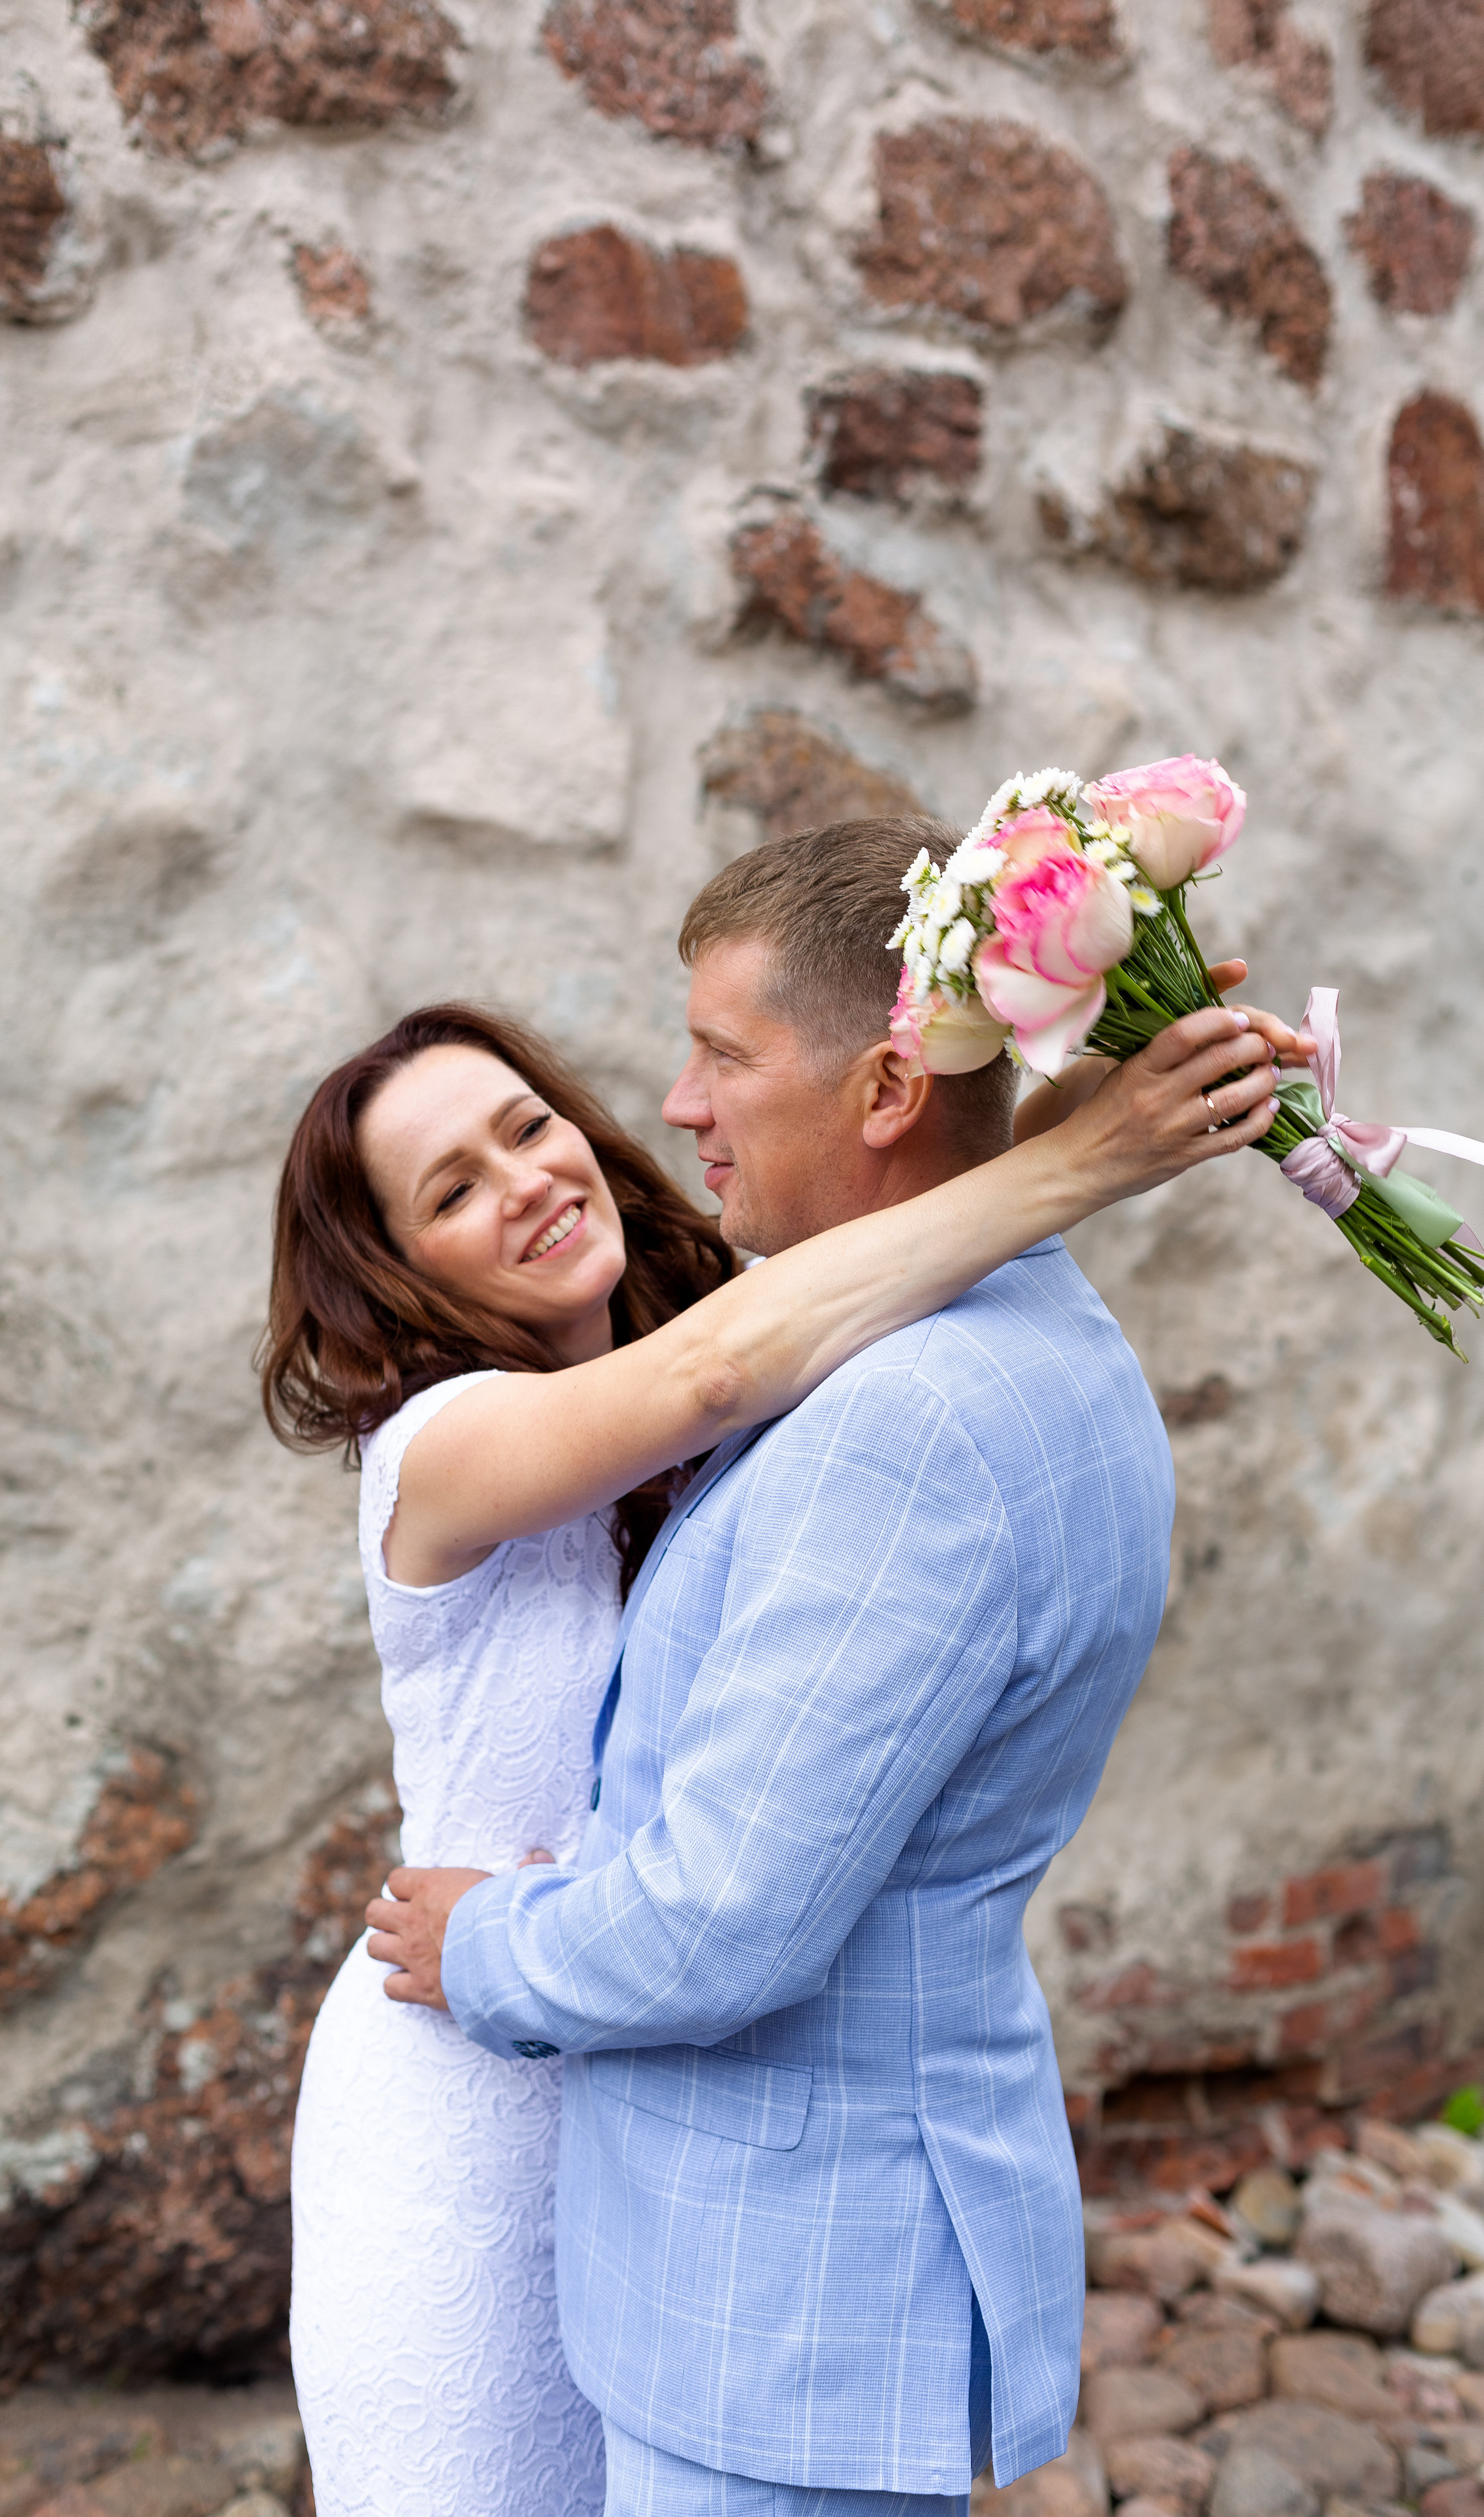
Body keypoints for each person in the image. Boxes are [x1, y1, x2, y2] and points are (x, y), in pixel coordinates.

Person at [268, 815, 1302, 2517]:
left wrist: (1036, 1054)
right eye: (450, 1192)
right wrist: (1081, 1158)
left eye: (527, 1126)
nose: (529, 1178)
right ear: (399, 1269)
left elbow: (835, 1272)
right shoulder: (450, 1446)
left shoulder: (788, 1353)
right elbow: (728, 1366)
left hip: (635, 2074)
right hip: (469, 2066)